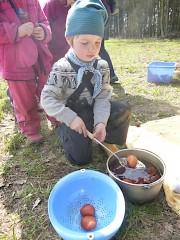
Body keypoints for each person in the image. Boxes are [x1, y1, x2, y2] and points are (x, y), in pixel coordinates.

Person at [41, 0, 131, 165]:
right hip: (71, 117)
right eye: (84, 43)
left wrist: (101, 122)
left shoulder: (101, 66)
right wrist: (70, 118)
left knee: (122, 109)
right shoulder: (62, 67)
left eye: (97, 42)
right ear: (70, 40)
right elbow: (47, 100)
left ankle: (103, 136)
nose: (92, 48)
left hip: (91, 111)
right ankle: (64, 133)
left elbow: (102, 98)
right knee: (81, 158)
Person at [0, 0, 56, 143]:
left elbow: (44, 20)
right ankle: (31, 130)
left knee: (49, 89)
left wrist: (43, 31)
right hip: (15, 62)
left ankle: (57, 118)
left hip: (40, 56)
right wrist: (16, 31)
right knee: (23, 98)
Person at [40, 0, 74, 65]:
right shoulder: (50, 5)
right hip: (52, 62)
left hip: (71, 61)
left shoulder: (81, 7)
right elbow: (42, 35)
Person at [100, 0, 119, 84]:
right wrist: (111, 9)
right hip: (103, 11)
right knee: (99, 48)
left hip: (95, 11)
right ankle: (111, 75)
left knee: (97, 47)